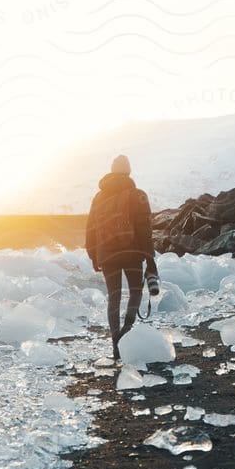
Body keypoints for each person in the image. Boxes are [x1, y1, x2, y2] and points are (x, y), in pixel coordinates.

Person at [85, 153, 157, 362]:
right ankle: (126, 329)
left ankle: (115, 341)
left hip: (107, 256)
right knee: (135, 292)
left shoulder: (98, 197)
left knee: (113, 297)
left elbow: (91, 228)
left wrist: (93, 255)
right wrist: (149, 257)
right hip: (132, 253)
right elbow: (145, 229)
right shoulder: (137, 195)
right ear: (128, 171)